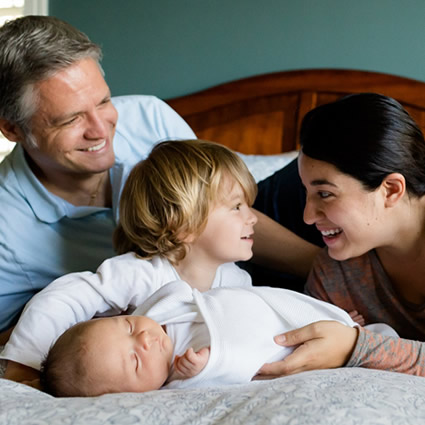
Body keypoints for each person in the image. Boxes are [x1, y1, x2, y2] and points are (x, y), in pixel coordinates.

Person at [0, 15, 318, 350]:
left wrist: (323, 269)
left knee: (328, 164)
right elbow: (8, 343)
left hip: (230, 257)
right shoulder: (6, 228)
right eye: (71, 119)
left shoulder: (148, 117)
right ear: (12, 129)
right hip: (159, 309)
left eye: (103, 101)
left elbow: (222, 214)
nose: (100, 130)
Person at [1, 138, 258, 377]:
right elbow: (60, 300)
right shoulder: (141, 273)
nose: (253, 217)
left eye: (248, 205)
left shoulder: (238, 282)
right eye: (236, 207)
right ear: (184, 225)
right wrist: (24, 365)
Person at [258, 93, 425, 378]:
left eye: (325, 194)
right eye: (306, 194)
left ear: (391, 190)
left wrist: (354, 347)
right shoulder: (333, 275)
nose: (308, 216)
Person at [42, 279, 397, 397]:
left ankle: (348, 330)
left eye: (129, 327)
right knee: (375, 350)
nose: (147, 340)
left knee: (371, 335)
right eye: (135, 361)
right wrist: (196, 369)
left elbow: (183, 293)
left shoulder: (161, 311)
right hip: (286, 347)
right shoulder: (180, 380)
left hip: (277, 312)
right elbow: (233, 375)